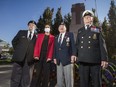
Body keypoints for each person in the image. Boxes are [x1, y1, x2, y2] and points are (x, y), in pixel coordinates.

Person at [75, 10, 108, 87]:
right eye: (85, 18)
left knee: (97, 83)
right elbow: (77, 44)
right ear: (83, 20)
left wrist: (104, 59)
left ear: (92, 19)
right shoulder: (80, 31)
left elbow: (102, 44)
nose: (87, 19)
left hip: (95, 61)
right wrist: (74, 54)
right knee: (84, 83)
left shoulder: (97, 29)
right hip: (83, 60)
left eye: (88, 17)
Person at [11, 20, 37, 87]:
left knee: (26, 78)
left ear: (35, 27)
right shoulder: (21, 32)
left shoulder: (36, 37)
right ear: (28, 26)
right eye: (30, 24)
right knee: (15, 76)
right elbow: (14, 41)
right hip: (18, 58)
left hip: (29, 60)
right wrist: (18, 51)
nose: (31, 26)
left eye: (33, 25)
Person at [53, 23, 76, 87]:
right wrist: (54, 57)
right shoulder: (56, 37)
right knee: (59, 80)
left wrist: (73, 54)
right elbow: (55, 48)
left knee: (69, 79)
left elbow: (73, 45)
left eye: (63, 26)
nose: (61, 27)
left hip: (67, 59)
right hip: (58, 60)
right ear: (58, 29)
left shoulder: (70, 34)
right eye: (60, 26)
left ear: (66, 28)